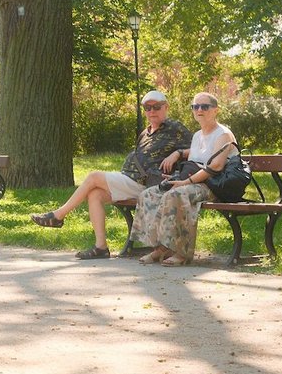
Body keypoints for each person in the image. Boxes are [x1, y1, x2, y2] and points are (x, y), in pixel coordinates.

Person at [30, 90, 191, 260]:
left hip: (147, 183)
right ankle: (101, 247)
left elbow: (199, 148)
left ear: (166, 107)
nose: (152, 111)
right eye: (147, 108)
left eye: (156, 107)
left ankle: (58, 215)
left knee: (94, 176)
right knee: (95, 194)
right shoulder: (146, 132)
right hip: (130, 180)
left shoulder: (175, 128)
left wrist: (178, 153)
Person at [131, 92, 237, 266]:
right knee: (150, 193)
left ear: (216, 110)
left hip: (214, 184)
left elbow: (215, 167)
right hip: (193, 180)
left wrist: (185, 182)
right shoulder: (197, 135)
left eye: (204, 106)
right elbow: (194, 160)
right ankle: (160, 247)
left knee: (176, 195)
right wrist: (176, 173)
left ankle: (181, 253)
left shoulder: (223, 134)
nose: (199, 110)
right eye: (195, 106)